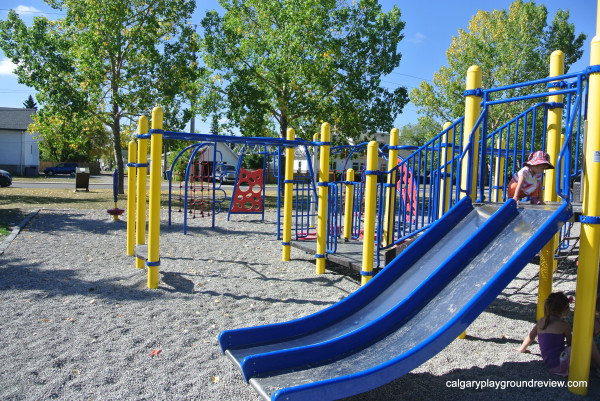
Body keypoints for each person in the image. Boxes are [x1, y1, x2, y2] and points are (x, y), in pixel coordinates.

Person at [516, 292, 600, 376]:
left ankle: (596, 367)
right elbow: (571, 344)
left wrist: (522, 349)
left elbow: (531, 336)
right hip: (561, 364)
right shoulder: (564, 325)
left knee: (589, 358)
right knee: (587, 342)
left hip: (550, 364)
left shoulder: (541, 321)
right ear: (565, 309)